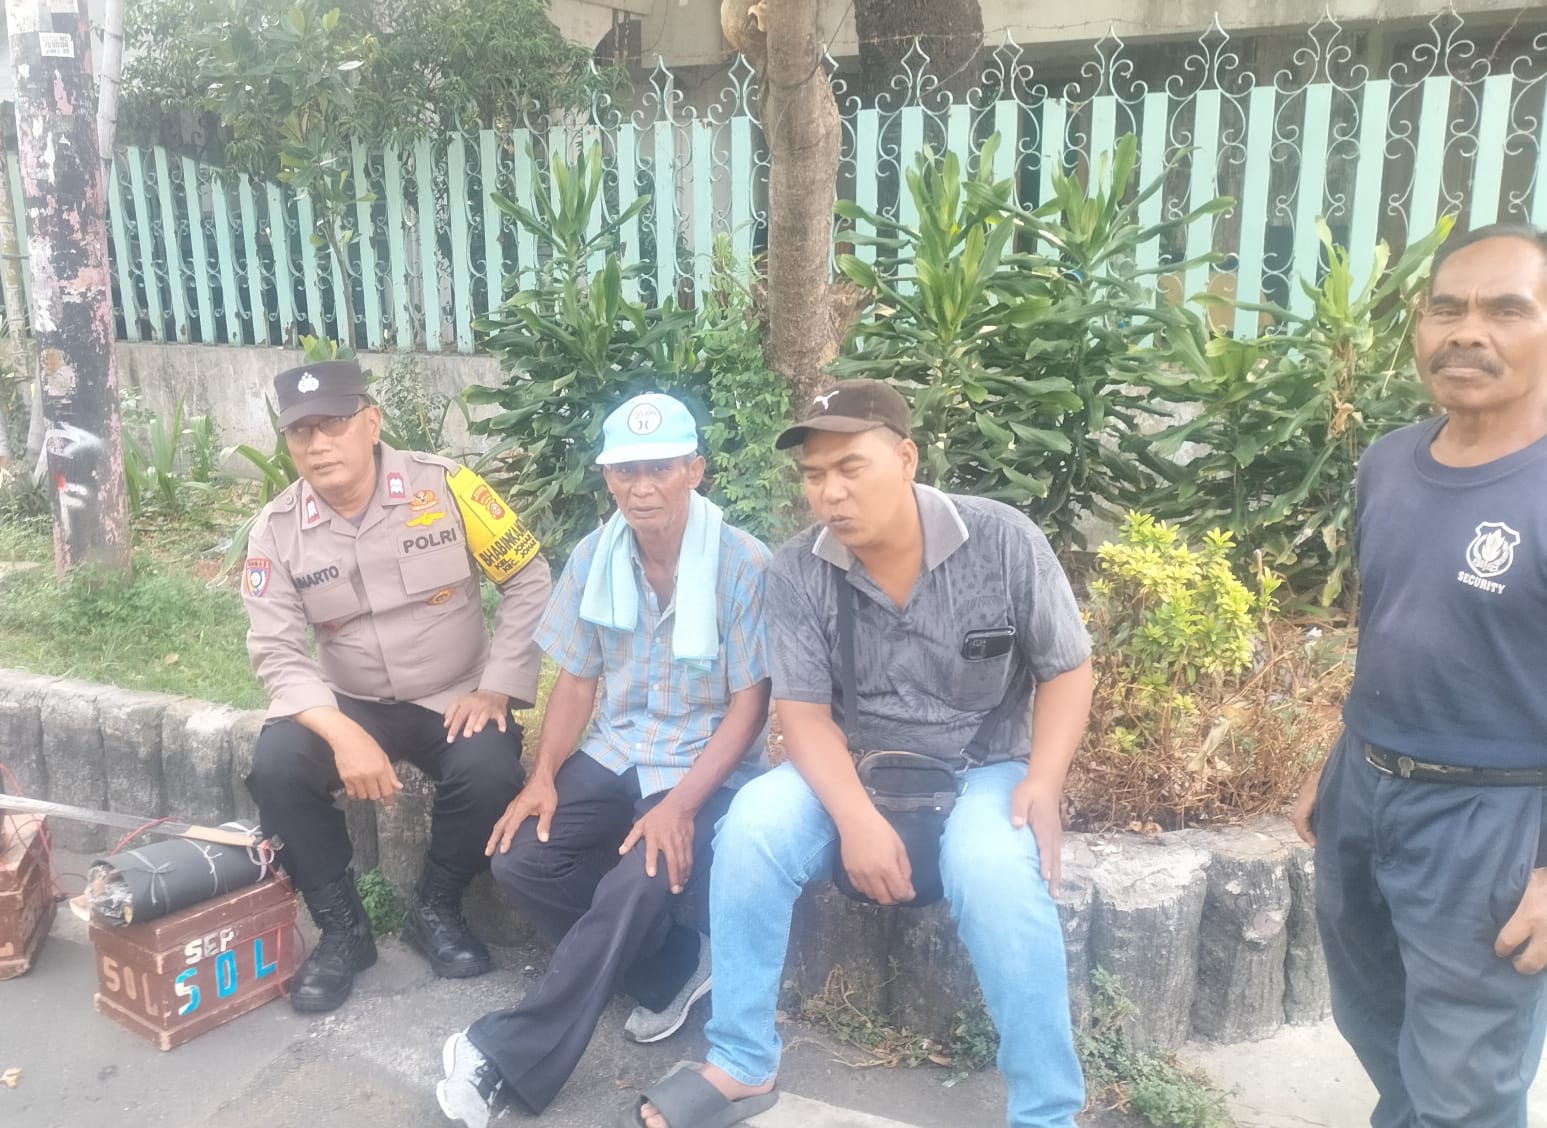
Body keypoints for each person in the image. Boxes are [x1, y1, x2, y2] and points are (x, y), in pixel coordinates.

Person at [626, 379, 1095, 1128]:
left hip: (982, 768)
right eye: (814, 475)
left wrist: (1043, 779)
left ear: (905, 458)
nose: (830, 493)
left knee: (999, 875)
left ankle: (1046, 1112)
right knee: (751, 827)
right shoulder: (797, 570)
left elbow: (1066, 668)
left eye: (851, 467)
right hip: (853, 764)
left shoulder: (1002, 540)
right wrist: (855, 819)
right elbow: (805, 715)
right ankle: (742, 1061)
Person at [436, 392, 773, 1127]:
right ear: (607, 476)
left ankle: (500, 1055)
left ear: (695, 471)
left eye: (660, 468)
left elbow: (749, 708)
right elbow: (578, 680)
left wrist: (681, 807)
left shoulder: (744, 564)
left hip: (699, 762)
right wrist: (542, 777)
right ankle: (674, 967)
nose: (641, 488)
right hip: (617, 745)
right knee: (520, 857)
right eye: (625, 471)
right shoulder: (597, 555)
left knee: (639, 878)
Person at [1292, 223, 1547, 1128]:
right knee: (1375, 1024)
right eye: (1445, 308)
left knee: (1463, 1087)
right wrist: (1340, 757)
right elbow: (1398, 624)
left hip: (1494, 821)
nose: (1465, 331)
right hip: (1364, 791)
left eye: (1505, 310)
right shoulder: (1388, 462)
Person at [242, 359, 551, 1014]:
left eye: (333, 424)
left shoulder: (447, 487)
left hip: (455, 693)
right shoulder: (276, 530)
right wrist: (338, 730)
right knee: (277, 767)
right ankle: (343, 930)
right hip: (349, 701)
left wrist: (498, 687)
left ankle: (435, 907)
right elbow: (275, 649)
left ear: (372, 422)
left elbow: (527, 576)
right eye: (301, 432)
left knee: (491, 771)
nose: (318, 445)